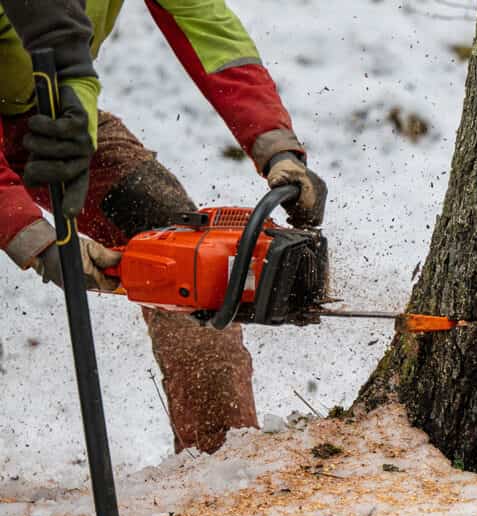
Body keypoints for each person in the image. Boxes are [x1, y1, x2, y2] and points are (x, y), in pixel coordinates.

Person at [0, 0, 327, 453]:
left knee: (187, 258)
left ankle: (220, 458)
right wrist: (38, 242)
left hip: (61, 115)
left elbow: (208, 29)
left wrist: (275, 145)